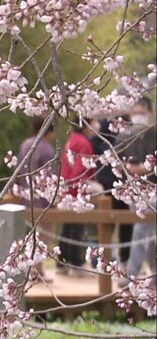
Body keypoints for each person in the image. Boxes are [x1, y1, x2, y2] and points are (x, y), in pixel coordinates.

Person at [119, 97, 156, 288]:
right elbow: (115, 159)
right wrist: (129, 168)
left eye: (141, 112)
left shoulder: (155, 135)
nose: (138, 116)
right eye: (135, 112)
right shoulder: (125, 135)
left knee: (142, 230)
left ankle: (131, 275)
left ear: (149, 113)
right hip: (131, 190)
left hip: (153, 191)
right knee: (148, 234)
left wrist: (143, 168)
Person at [15, 116, 57, 280]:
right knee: (44, 234)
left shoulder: (25, 144)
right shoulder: (47, 150)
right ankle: (37, 270)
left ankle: (28, 268)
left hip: (24, 195)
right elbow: (50, 178)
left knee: (29, 234)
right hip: (41, 200)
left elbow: (18, 170)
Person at [57, 119, 97, 275]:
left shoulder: (72, 139)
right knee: (77, 227)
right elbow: (80, 171)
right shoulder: (84, 144)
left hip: (67, 188)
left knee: (67, 227)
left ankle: (61, 262)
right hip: (76, 191)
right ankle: (76, 263)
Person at [90, 117, 132, 265]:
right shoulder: (103, 123)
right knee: (107, 221)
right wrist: (109, 153)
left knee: (127, 223)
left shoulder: (128, 123)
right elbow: (94, 142)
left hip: (125, 184)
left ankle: (124, 258)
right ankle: (101, 258)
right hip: (107, 181)